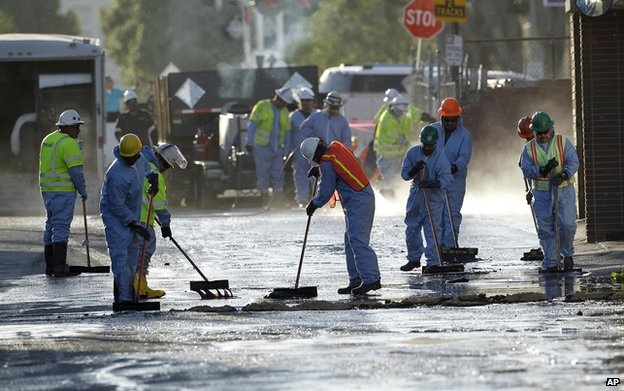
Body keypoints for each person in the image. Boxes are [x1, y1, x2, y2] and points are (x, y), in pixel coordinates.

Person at [300, 137, 381, 295]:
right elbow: (340, 166)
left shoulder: (327, 163)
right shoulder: (336, 147)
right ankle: (356, 279)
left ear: (315, 156)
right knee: (350, 240)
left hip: (359, 200)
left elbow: (326, 190)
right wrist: (320, 170)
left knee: (357, 239)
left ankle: (371, 279)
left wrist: (314, 204)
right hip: (360, 198)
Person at [100, 133, 158, 304]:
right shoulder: (116, 174)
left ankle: (130, 293)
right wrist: (133, 224)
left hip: (132, 213)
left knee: (133, 256)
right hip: (115, 217)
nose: (131, 160)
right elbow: (116, 205)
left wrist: (152, 176)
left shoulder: (139, 159)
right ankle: (124, 298)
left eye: (133, 157)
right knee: (120, 257)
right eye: (128, 158)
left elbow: (146, 167)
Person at [520, 111, 579, 271]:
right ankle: (551, 261)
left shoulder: (562, 142)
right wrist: (542, 170)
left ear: (551, 128)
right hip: (542, 193)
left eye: (545, 132)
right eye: (538, 133)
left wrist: (564, 174)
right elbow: (526, 169)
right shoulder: (529, 148)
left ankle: (567, 254)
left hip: (564, 190)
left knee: (567, 225)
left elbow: (574, 161)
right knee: (546, 228)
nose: (542, 135)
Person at [39, 109, 88, 277]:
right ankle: (59, 268)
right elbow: (76, 172)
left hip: (47, 190)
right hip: (63, 191)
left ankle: (50, 267)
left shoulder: (48, 139)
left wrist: (75, 148)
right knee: (60, 227)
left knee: (50, 225)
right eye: (76, 126)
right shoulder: (68, 143)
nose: (78, 130)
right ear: (68, 127)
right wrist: (83, 190)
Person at [135, 143, 187, 299]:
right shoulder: (155, 174)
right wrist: (165, 224)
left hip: (133, 218)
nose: (165, 168)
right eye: (165, 164)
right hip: (142, 220)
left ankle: (137, 285)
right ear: (158, 156)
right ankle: (140, 287)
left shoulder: (142, 165)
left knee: (136, 254)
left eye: (168, 167)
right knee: (144, 253)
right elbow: (159, 205)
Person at [400, 125, 453, 272]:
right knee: (411, 228)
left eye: (431, 146)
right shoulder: (413, 153)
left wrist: (433, 183)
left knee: (433, 231)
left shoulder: (441, 157)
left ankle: (433, 262)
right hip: (416, 196)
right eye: (426, 145)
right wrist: (414, 170)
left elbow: (447, 178)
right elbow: (404, 175)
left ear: (435, 144)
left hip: (433, 199)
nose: (428, 148)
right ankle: (413, 259)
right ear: (421, 142)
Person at [431, 98, 473, 249]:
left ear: (458, 118)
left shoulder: (465, 135)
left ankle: (449, 246)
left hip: (455, 181)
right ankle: (437, 247)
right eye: (446, 120)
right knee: (437, 214)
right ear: (441, 117)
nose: (449, 123)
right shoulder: (432, 131)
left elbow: (465, 156)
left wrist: (455, 167)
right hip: (436, 180)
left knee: (452, 214)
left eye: (452, 120)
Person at [245, 87, 294, 203]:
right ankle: (264, 196)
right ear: (278, 98)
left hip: (277, 148)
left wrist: (286, 151)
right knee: (263, 172)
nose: (284, 104)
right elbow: (252, 125)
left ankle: (278, 198)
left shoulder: (284, 112)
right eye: (284, 102)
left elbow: (287, 133)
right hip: (262, 146)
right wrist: (249, 142)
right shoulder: (262, 106)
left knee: (278, 173)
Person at [373, 95, 412, 198]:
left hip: (390, 155)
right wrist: (407, 143)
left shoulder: (392, 116)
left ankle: (389, 196)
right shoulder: (389, 120)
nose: (401, 113)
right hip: (386, 155)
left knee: (390, 178)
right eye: (400, 111)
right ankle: (388, 199)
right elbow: (396, 139)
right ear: (394, 108)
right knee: (388, 179)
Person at [289, 86, 319, 207]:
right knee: (300, 175)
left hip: (315, 151)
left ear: (312, 101)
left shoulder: (318, 115)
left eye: (308, 100)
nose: (305, 103)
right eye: (303, 101)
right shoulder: (293, 117)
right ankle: (302, 199)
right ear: (299, 102)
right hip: (298, 152)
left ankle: (316, 199)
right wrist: (287, 151)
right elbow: (288, 135)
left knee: (316, 175)